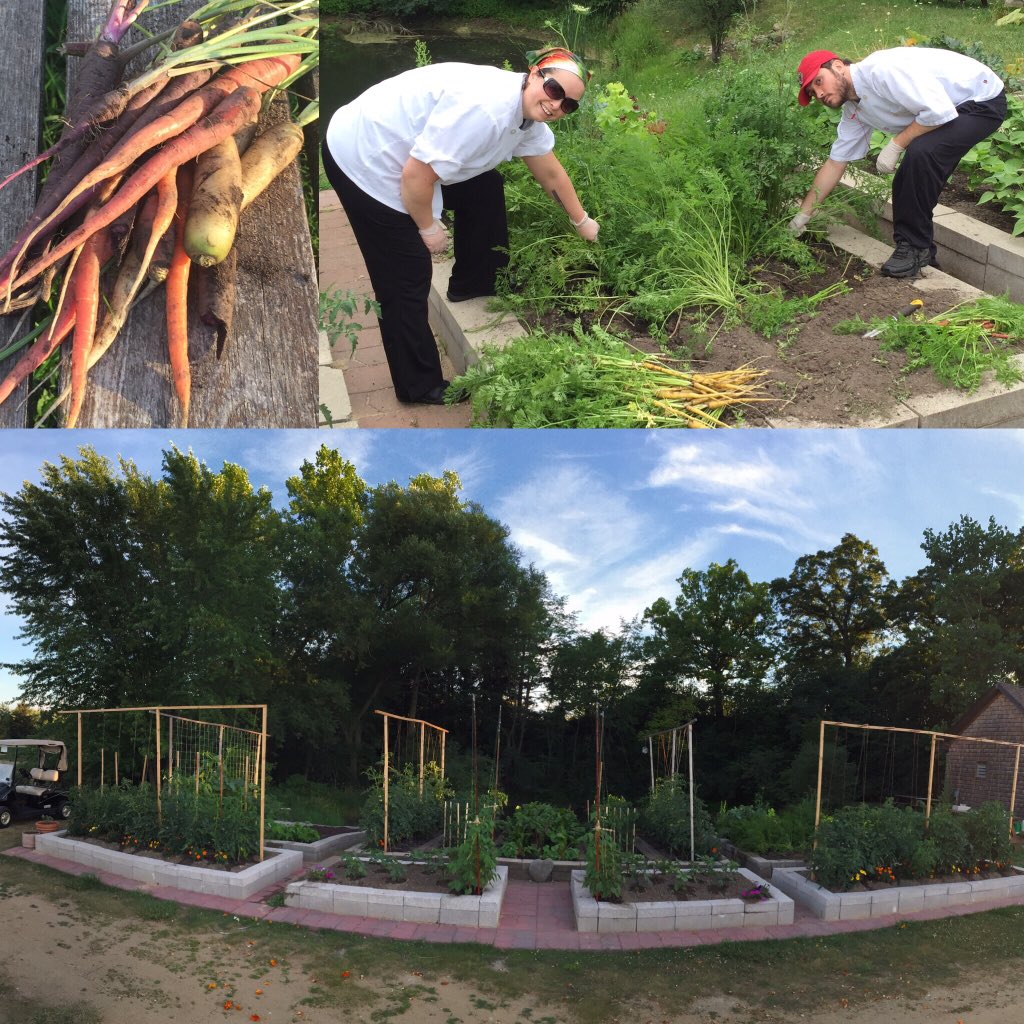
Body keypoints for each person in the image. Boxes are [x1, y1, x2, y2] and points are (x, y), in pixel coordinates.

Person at [323, 47, 600, 405]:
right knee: (406, 275)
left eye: (568, 105)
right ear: (533, 74)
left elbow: (549, 172)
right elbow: (415, 177)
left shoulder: (527, 114)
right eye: (554, 90)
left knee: (484, 188)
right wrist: (428, 228)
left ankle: (476, 281)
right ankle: (418, 386)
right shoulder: (485, 112)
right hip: (364, 158)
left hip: (406, 155)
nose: (556, 105)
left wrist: (582, 221)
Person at [789, 47, 1007, 278]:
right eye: (813, 93)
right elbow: (835, 163)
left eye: (819, 82)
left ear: (838, 66)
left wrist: (896, 144)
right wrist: (802, 216)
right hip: (952, 107)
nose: (819, 94)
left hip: (980, 99)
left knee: (921, 153)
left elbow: (938, 111)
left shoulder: (881, 71)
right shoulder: (854, 109)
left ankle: (914, 248)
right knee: (909, 175)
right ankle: (924, 255)